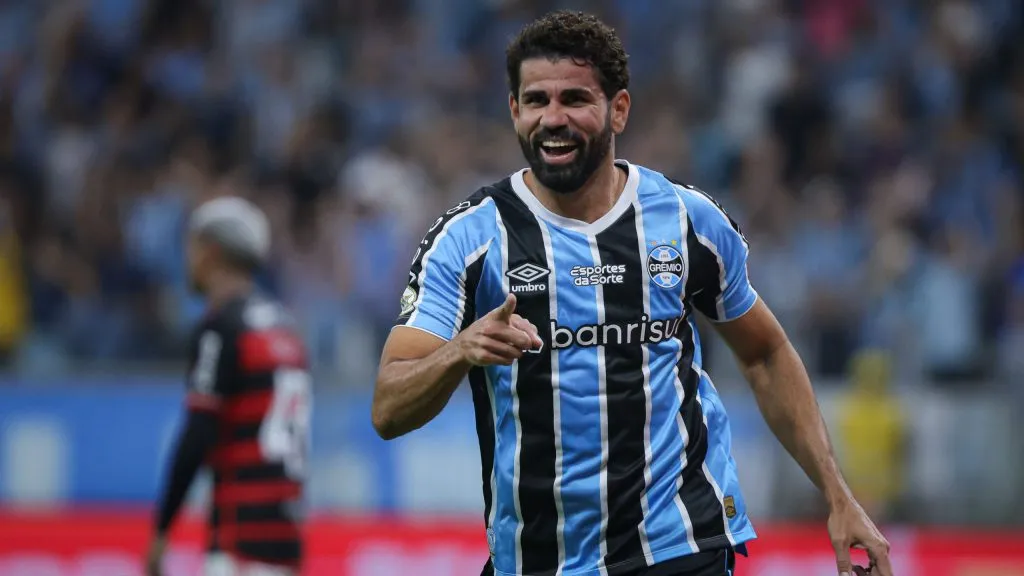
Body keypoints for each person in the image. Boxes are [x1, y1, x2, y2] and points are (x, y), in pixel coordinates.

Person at [372, 10, 892, 576]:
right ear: (514, 110)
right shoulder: (468, 239)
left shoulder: (686, 220)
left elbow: (764, 353)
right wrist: (459, 350)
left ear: (618, 108)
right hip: (538, 559)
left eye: (575, 99)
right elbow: (389, 406)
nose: (554, 119)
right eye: (536, 101)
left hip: (678, 545)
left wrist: (838, 496)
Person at [146, 197, 312, 576]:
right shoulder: (286, 330)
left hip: (240, 537)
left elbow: (198, 433)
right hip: (286, 537)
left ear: (211, 252)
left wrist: (161, 531)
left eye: (191, 246)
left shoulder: (221, 328)